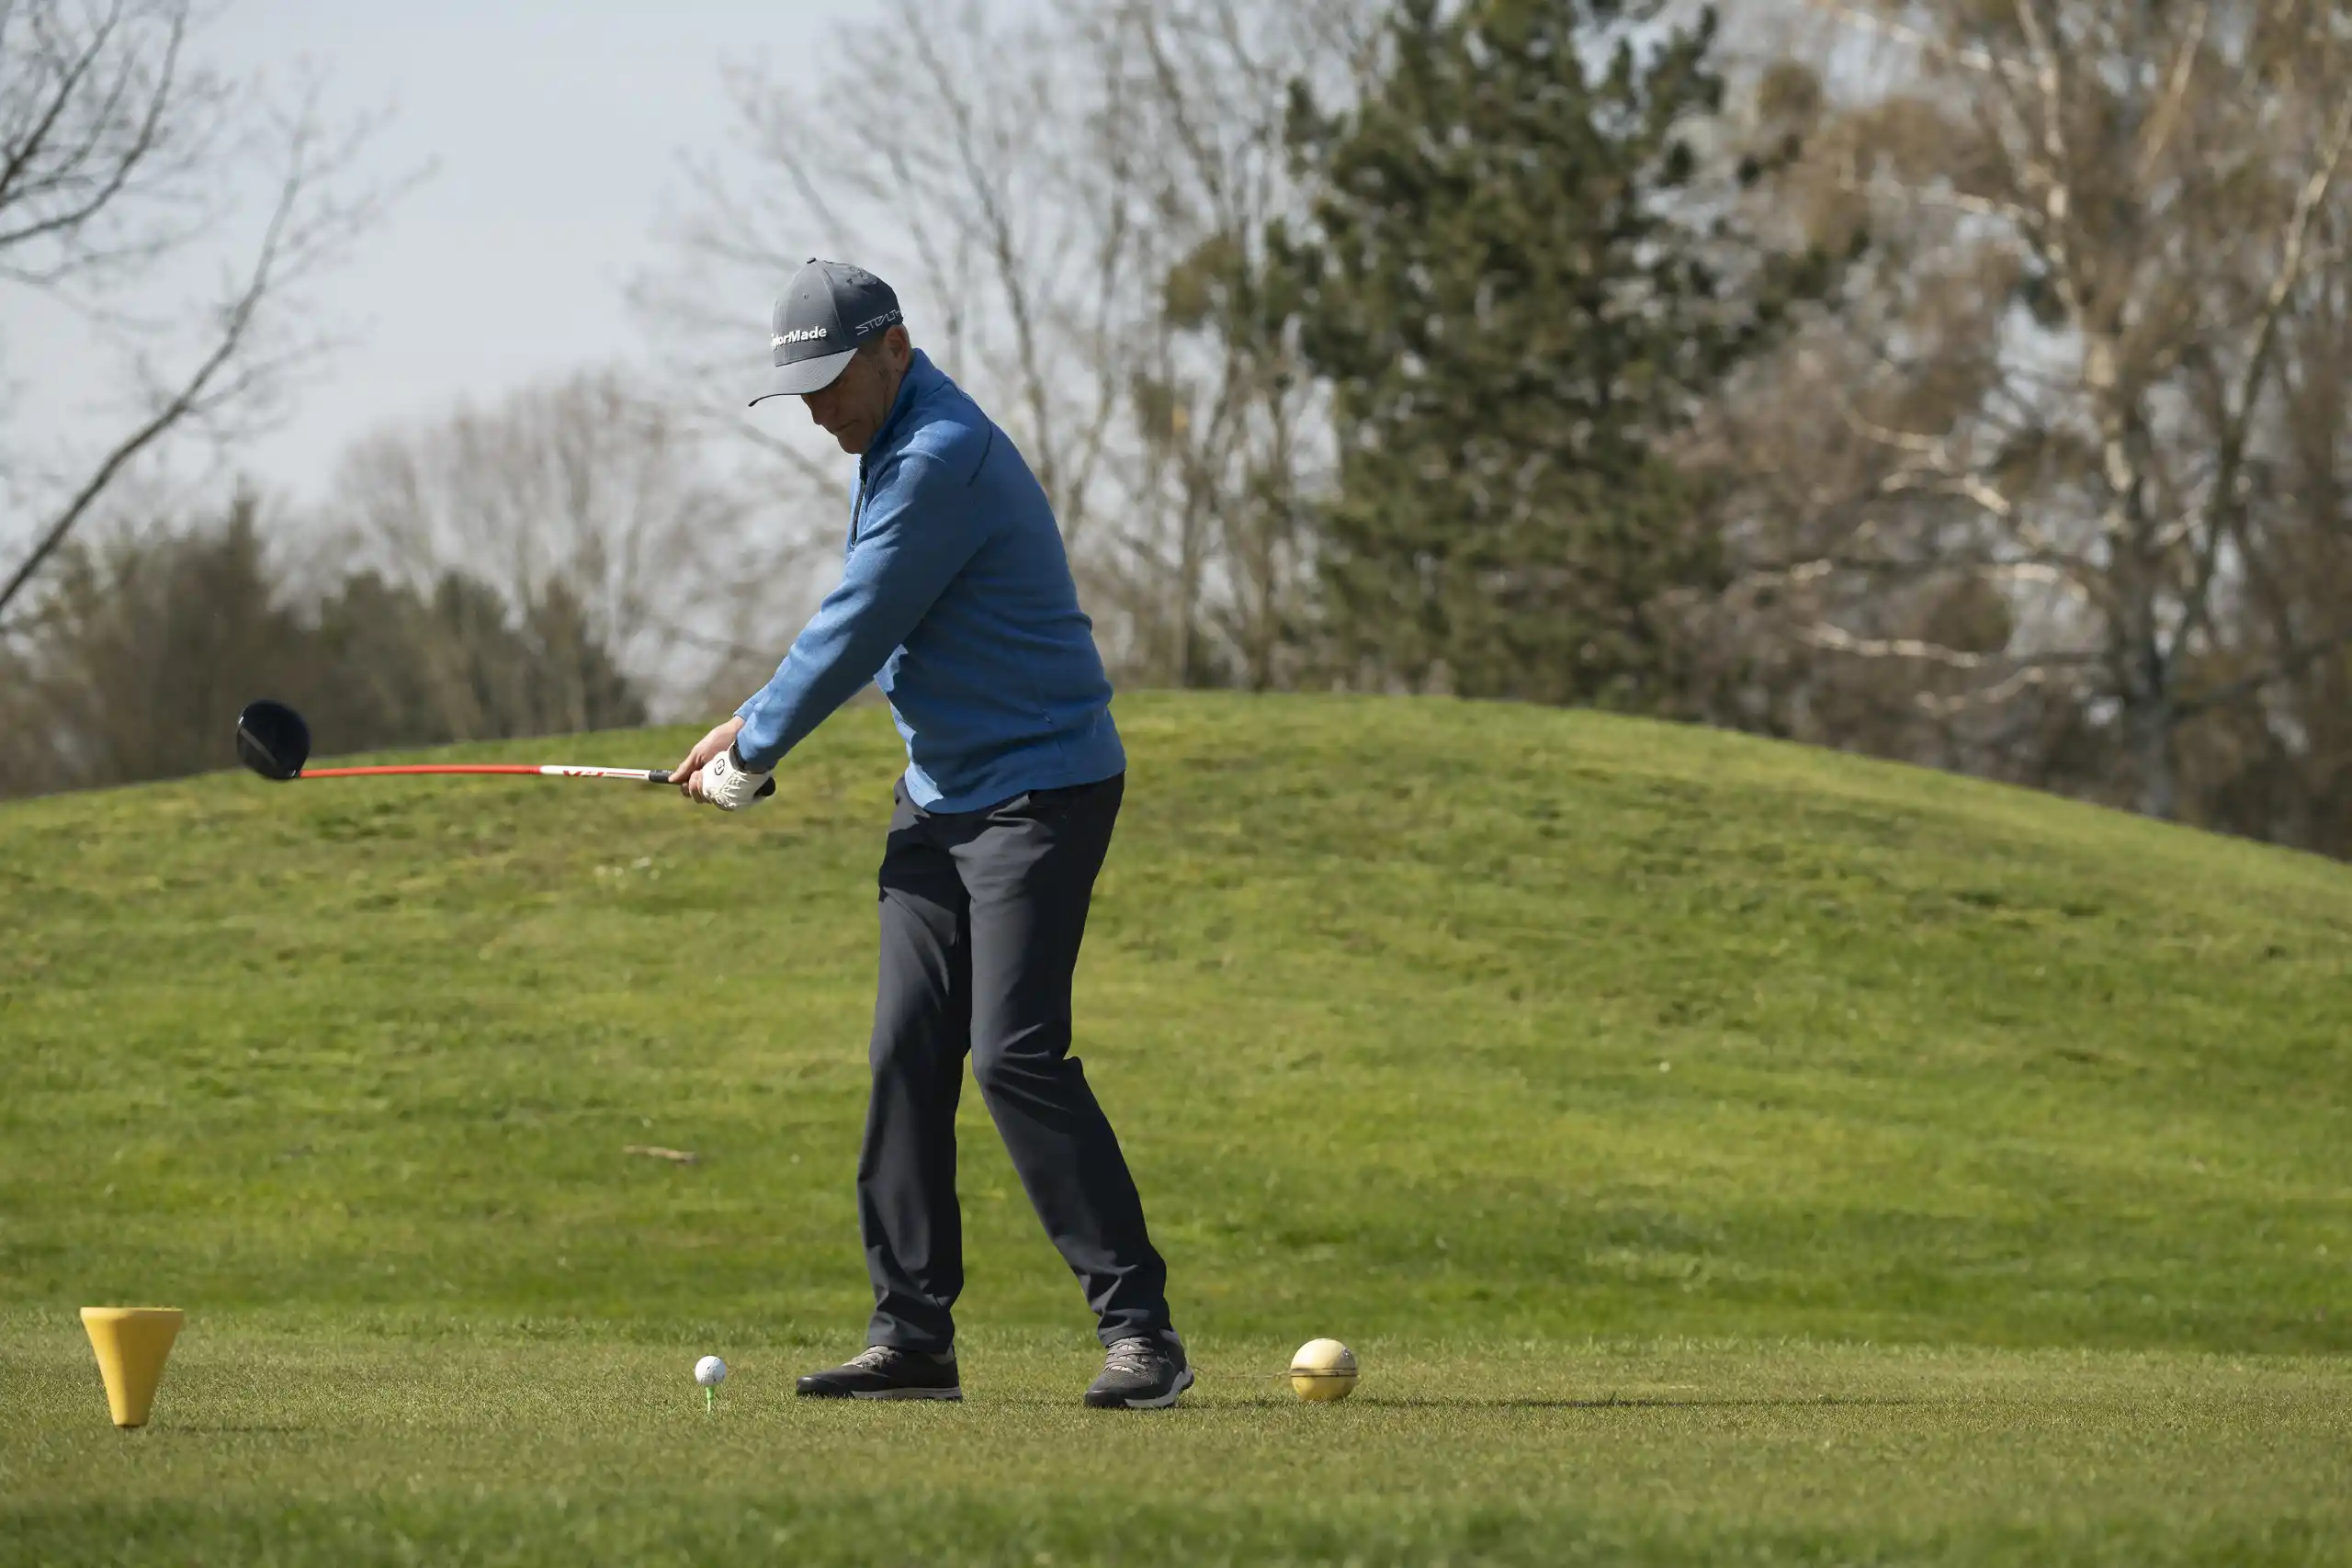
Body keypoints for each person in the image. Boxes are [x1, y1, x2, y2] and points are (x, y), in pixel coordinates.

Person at [671, 259, 1190, 1410]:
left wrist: (760, 746)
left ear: (894, 349)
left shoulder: (939, 455)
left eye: (830, 380)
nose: (817, 409)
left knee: (1012, 1054)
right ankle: (911, 1337)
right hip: (940, 800)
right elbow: (865, 610)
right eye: (801, 390)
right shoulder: (891, 444)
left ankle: (1142, 1334)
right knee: (905, 1052)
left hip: (1040, 793)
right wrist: (748, 722)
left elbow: (860, 622)